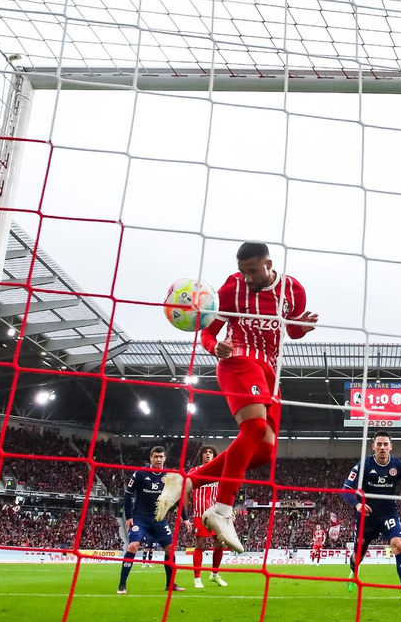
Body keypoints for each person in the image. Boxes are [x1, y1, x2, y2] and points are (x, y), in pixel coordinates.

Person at [155, 242, 318, 553]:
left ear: (269, 264)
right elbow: (208, 330)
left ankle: (187, 481)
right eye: (242, 271)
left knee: (263, 454)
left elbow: (291, 329)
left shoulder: (294, 290)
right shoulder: (231, 289)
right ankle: (223, 510)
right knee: (254, 429)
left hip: (271, 373)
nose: (246, 277)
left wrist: (303, 328)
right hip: (240, 360)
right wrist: (213, 347)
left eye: (252, 271)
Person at [341, 431, 401, 605]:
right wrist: (357, 505)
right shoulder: (363, 465)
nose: (382, 447)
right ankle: (354, 571)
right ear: (373, 447)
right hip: (366, 516)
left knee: (399, 545)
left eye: (386, 444)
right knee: (358, 557)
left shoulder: (399, 466)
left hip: (388, 513)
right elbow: (346, 489)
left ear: (391, 446)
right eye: (379, 444)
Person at [119, 446, 184, 594]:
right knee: (133, 546)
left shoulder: (169, 475)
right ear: (150, 458)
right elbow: (128, 495)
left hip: (159, 520)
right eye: (156, 457)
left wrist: (184, 517)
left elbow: (177, 497)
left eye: (161, 457)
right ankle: (122, 585)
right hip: (140, 519)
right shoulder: (140, 473)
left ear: (165, 459)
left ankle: (170, 584)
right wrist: (128, 517)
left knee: (170, 548)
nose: (158, 459)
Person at [184, 446, 228, 589]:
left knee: (219, 543)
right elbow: (186, 492)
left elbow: (225, 492)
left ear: (214, 456)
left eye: (210, 453)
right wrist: (184, 513)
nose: (208, 454)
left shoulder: (220, 471)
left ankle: (214, 575)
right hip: (200, 514)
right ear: (201, 455)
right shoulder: (193, 472)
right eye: (205, 452)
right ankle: (197, 579)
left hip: (216, 514)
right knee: (200, 543)